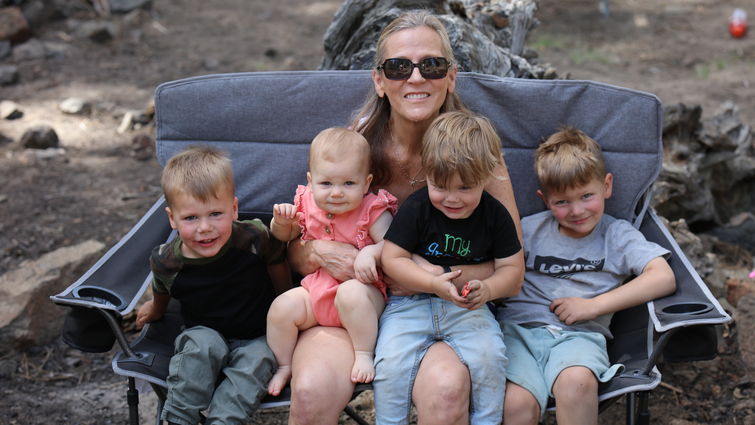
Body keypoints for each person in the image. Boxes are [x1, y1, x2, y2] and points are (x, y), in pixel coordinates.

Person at [285, 10, 522, 425]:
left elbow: (507, 263)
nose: (416, 78)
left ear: (451, 76)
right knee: (310, 392)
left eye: (431, 65)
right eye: (398, 67)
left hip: (441, 306)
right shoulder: (354, 148)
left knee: (447, 391)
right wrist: (321, 250)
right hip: (352, 307)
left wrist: (420, 275)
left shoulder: (476, 156)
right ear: (379, 80)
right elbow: (297, 254)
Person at [497, 127, 676, 425]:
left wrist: (593, 306)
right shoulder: (528, 229)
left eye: (586, 196)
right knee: (517, 405)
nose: (577, 210)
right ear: (545, 199)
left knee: (577, 384)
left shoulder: (616, 235)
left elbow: (663, 277)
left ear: (607, 186)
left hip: (579, 336)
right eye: (562, 202)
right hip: (518, 332)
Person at [378, 111, 524, 425]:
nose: (452, 198)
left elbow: (513, 272)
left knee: (491, 357)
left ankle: (487, 420)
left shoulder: (495, 215)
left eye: (465, 188)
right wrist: (431, 283)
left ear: (486, 177)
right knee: (390, 363)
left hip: (470, 307)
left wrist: (489, 289)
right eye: (441, 186)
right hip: (410, 305)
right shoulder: (418, 207)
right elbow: (391, 259)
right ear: (427, 173)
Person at [135, 146, 290, 425]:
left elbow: (277, 261)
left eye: (215, 214)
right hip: (204, 330)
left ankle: (224, 420)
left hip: (257, 333)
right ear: (172, 218)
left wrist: (286, 301)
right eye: (191, 218)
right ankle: (179, 418)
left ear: (234, 209)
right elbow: (162, 287)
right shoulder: (168, 260)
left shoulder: (254, 237)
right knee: (201, 346)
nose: (205, 227)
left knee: (258, 359)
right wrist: (156, 309)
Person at [265, 127, 397, 396]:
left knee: (350, 293)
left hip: (362, 296)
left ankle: (363, 352)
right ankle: (284, 364)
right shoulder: (306, 202)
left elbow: (393, 245)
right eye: (326, 184)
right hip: (317, 293)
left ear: (366, 182)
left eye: (349, 183)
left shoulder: (372, 209)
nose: (336, 193)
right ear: (311, 181)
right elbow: (285, 236)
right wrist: (281, 222)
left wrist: (371, 252)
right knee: (281, 307)